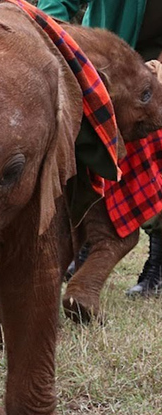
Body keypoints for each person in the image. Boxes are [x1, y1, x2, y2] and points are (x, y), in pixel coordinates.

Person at [39, 0, 162, 296]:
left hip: (150, 76)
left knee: (151, 158)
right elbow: (57, 3)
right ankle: (84, 244)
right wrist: (51, 38)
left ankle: (158, 260)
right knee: (85, 159)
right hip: (101, 64)